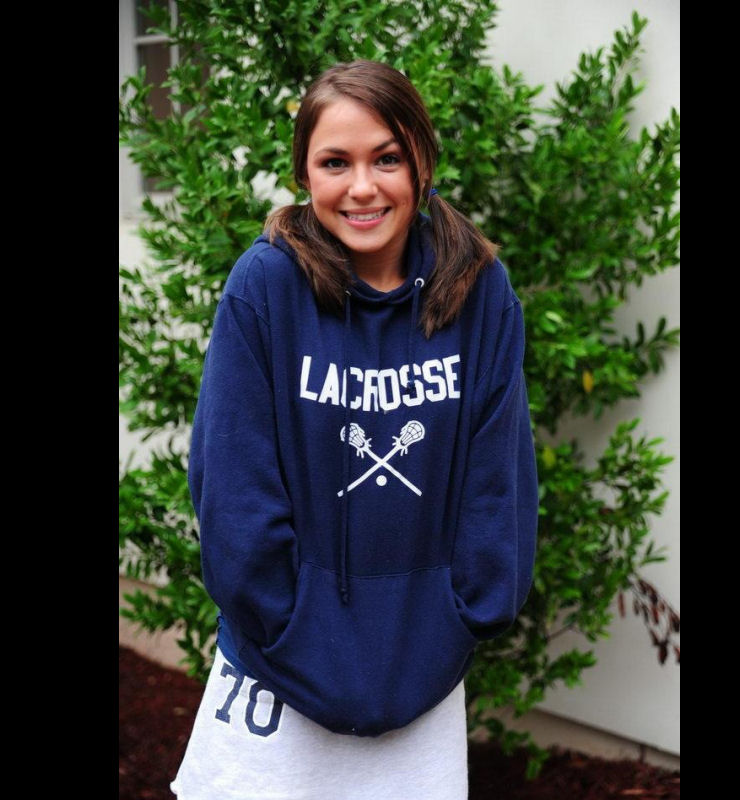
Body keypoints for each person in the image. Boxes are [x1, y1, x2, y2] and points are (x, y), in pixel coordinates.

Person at [171, 59, 539, 800]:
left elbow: (497, 483)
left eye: (388, 158)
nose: (363, 187)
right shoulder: (265, 287)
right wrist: (285, 625)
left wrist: (459, 617)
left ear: (423, 162)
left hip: (425, 667)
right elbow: (234, 488)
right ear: (304, 174)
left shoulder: (481, 294)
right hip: (276, 674)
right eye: (335, 162)